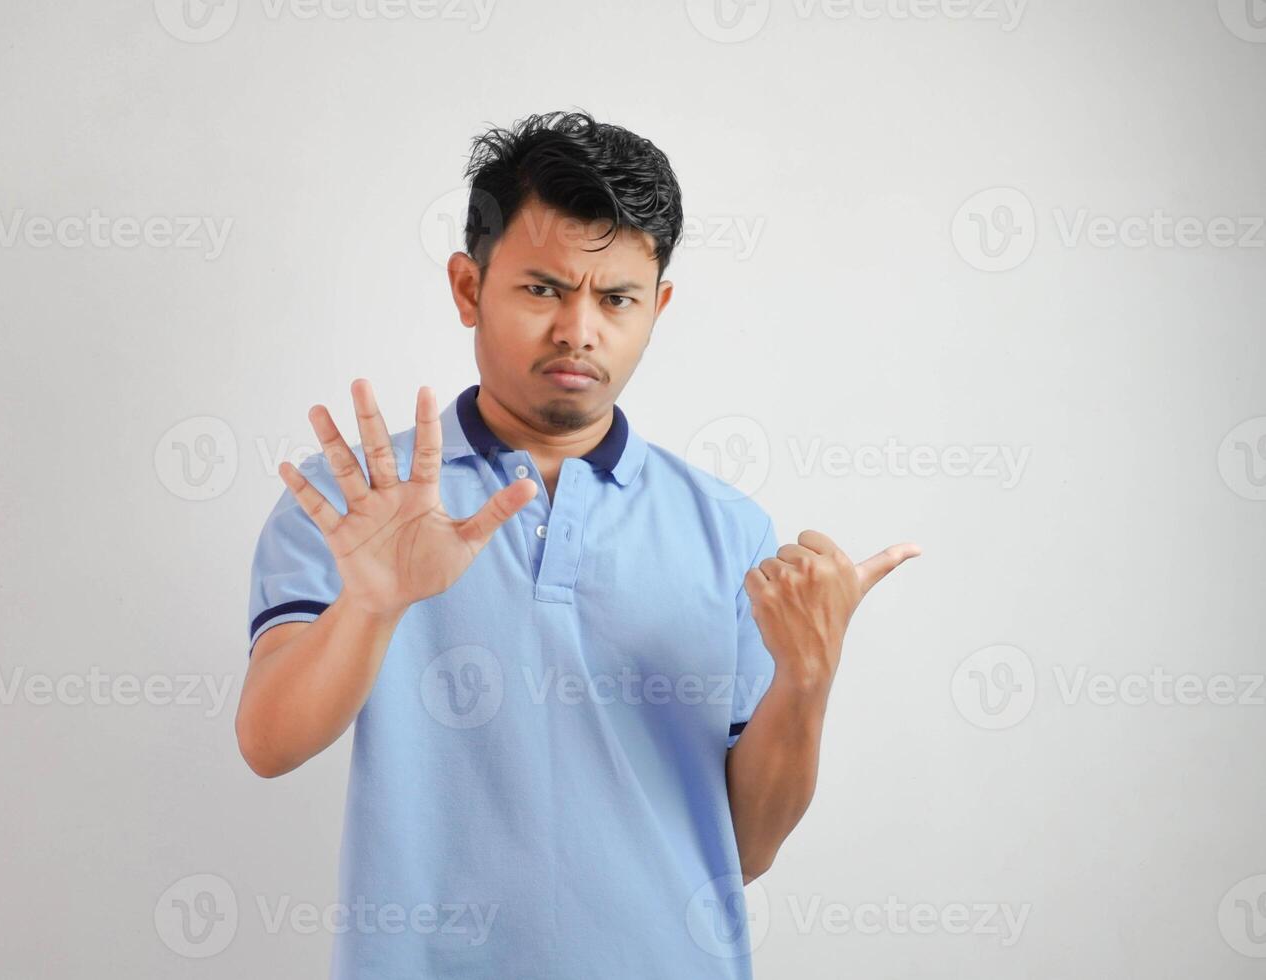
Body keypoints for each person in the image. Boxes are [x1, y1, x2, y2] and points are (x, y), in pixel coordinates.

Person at [236, 109, 919, 979]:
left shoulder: (728, 528)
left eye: (617, 298)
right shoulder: (354, 500)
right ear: (466, 287)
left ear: (657, 306)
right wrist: (373, 601)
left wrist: (809, 676)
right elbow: (269, 744)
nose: (579, 330)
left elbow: (745, 849)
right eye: (542, 289)